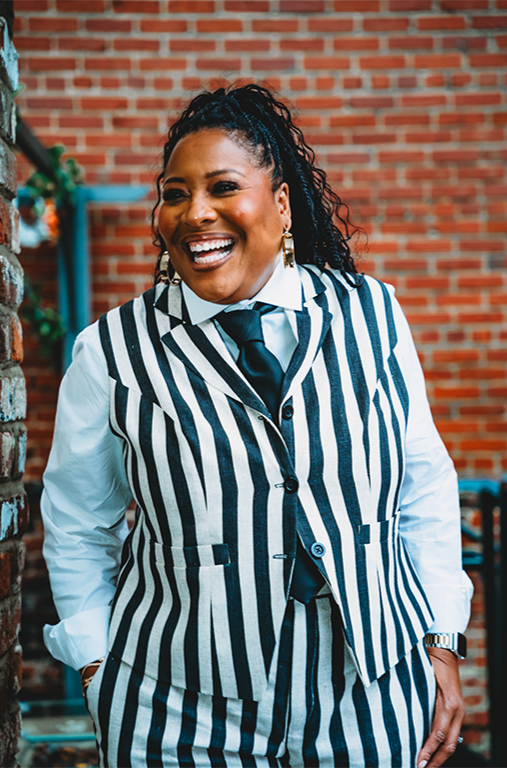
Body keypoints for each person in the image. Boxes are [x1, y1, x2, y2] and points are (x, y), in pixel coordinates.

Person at [41, 84, 472, 768]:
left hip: (367, 695)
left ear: (279, 204)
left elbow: (421, 487)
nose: (195, 212)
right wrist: (98, 668)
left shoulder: (373, 317)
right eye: (174, 193)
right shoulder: (111, 352)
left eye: (221, 187)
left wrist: (441, 640)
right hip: (177, 708)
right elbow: (75, 524)